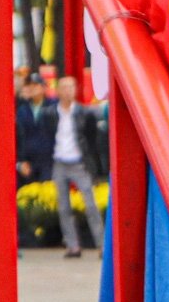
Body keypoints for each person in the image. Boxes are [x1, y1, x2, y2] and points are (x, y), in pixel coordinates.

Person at [50, 77, 106, 257]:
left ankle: (101, 244)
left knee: (90, 205)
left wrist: (94, 165)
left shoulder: (83, 113)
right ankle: (73, 245)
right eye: (64, 88)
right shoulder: (51, 113)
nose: (68, 91)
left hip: (79, 162)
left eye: (71, 87)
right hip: (59, 161)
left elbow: (92, 139)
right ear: (58, 91)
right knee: (64, 207)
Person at [14, 74, 57, 189]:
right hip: (29, 162)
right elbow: (19, 137)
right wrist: (20, 161)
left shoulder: (54, 107)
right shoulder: (22, 110)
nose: (32, 88)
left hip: (49, 161)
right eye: (30, 85)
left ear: (44, 88)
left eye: (36, 85)